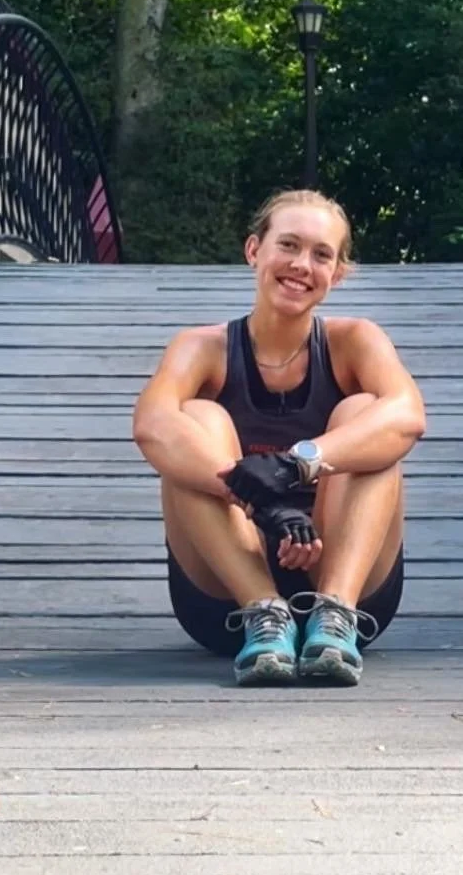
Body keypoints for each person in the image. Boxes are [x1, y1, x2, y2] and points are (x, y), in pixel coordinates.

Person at [131, 189, 426, 686]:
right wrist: (257, 499)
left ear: (338, 273)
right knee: (194, 420)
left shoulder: (356, 340)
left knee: (368, 413)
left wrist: (296, 465)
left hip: (346, 583)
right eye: (288, 245)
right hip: (225, 594)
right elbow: (151, 426)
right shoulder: (201, 347)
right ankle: (264, 613)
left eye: (321, 254)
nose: (301, 265)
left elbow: (408, 416)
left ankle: (334, 614)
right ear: (254, 251)